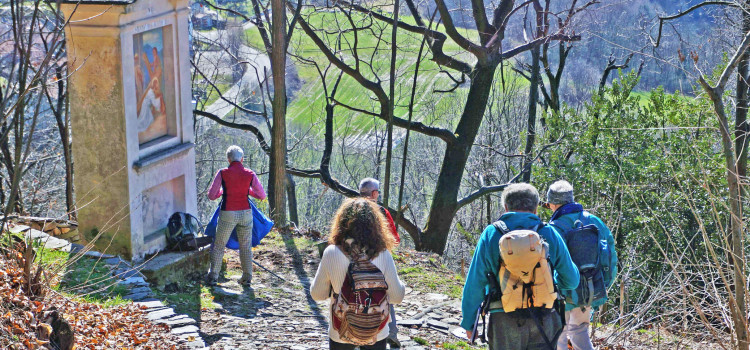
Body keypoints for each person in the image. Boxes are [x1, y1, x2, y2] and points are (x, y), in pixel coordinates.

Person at [461, 183, 579, 350]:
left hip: (504, 318)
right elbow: (572, 280)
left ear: (506, 207)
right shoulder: (549, 233)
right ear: (536, 208)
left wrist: (468, 321)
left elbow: (475, 283)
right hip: (545, 316)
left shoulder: (491, 234)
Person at [310, 198, 406, 350]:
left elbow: (317, 295)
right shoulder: (383, 254)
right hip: (376, 331)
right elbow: (397, 297)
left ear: (341, 223)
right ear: (376, 225)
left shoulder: (331, 252)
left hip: (340, 329)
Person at [545, 180, 618, 350]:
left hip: (561, 292)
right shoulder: (594, 221)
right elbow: (610, 255)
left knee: (559, 333)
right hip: (590, 287)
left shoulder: (553, 228)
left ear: (552, 203)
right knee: (579, 331)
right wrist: (604, 284)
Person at [206, 145, 266, 286]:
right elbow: (261, 195)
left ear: (228, 159)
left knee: (219, 245)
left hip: (228, 213)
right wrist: (247, 191)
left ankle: (213, 276)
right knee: (245, 246)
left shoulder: (222, 173)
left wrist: (222, 191)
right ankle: (247, 277)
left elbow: (211, 196)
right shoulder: (250, 174)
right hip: (246, 213)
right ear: (242, 159)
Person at [358, 178, 401, 347]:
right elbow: (395, 239)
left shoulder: (350, 211)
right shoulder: (382, 212)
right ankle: (391, 332)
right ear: (374, 193)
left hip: (353, 262)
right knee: (386, 295)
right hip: (379, 262)